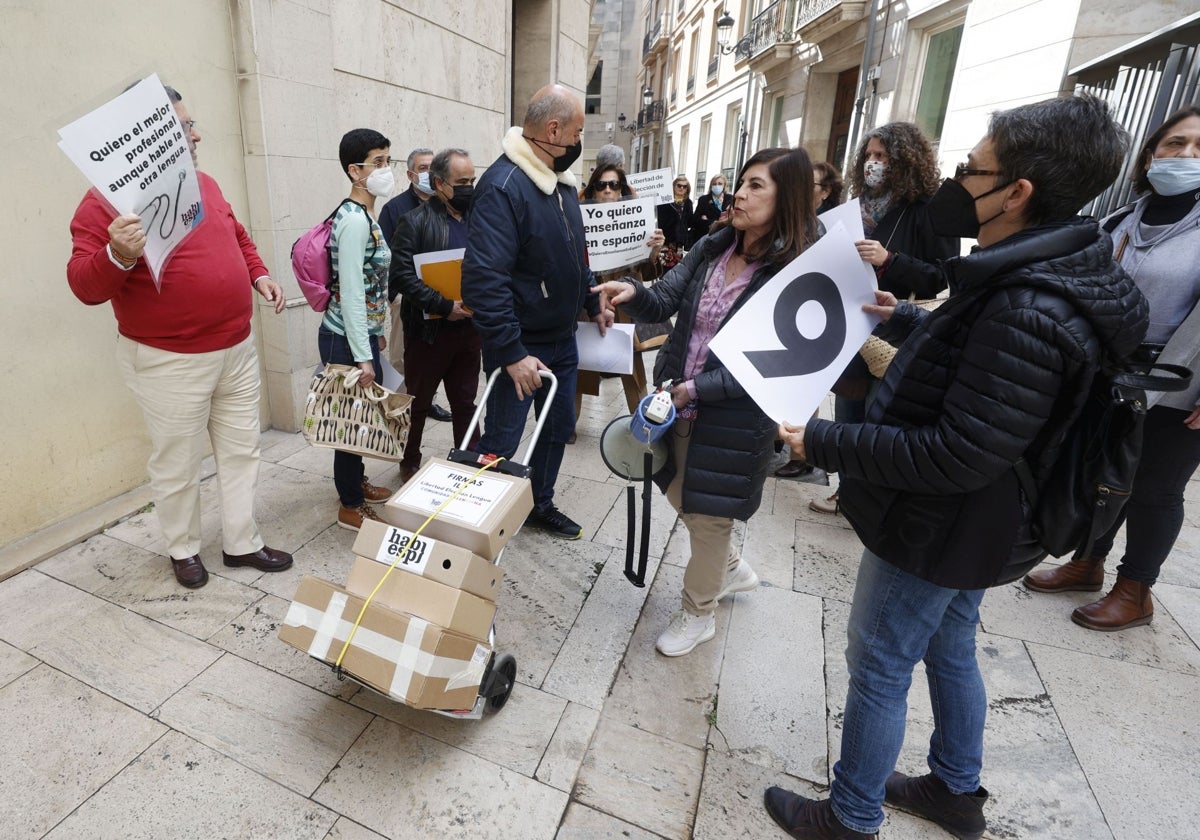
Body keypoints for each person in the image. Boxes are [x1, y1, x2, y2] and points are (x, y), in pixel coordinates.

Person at [763, 94, 1147, 839]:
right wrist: (904, 317)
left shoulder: (1027, 301)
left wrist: (823, 442)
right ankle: (954, 789)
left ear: (1018, 192)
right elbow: (983, 361)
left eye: (973, 168)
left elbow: (956, 452)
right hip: (992, 519)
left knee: (878, 658)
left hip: (946, 523)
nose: (959, 181)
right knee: (950, 639)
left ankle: (850, 816)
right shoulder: (1057, 264)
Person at [593, 147, 820, 657]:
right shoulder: (715, 246)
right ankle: (731, 567)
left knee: (710, 514)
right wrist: (631, 291)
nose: (740, 193)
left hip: (732, 419)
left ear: (789, 198)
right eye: (742, 182)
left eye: (757, 186)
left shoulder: (792, 274)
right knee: (675, 488)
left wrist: (695, 390)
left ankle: (699, 614)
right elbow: (667, 296)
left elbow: (765, 362)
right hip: (673, 400)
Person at [67, 84, 292, 589]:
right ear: (146, 136)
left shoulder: (204, 183)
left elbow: (235, 233)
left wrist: (258, 274)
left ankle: (242, 542)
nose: (195, 135)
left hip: (236, 348)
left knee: (241, 450)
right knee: (178, 462)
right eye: (183, 126)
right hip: (170, 360)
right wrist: (116, 254)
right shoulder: (105, 203)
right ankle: (183, 548)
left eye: (190, 124)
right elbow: (84, 285)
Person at [1023, 105, 1200, 631]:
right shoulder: (1120, 219)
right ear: (1150, 155)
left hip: (1178, 381)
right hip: (1112, 372)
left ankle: (1136, 589)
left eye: (1199, 149)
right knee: (1103, 471)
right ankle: (1087, 563)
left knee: (1156, 488)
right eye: (1175, 145)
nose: (1185, 156)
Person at [461, 84, 612, 540]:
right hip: (522, 348)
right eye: (578, 132)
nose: (579, 142)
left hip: (561, 340)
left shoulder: (560, 182)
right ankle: (476, 519)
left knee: (557, 426)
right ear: (553, 129)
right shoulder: (503, 187)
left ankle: (536, 504)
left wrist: (591, 300)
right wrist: (510, 352)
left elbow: (575, 255)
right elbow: (484, 280)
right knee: (504, 438)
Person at [811, 122, 958, 515]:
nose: (873, 164)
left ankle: (868, 497)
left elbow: (940, 274)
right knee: (848, 407)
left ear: (906, 161)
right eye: (870, 156)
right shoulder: (858, 207)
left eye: (883, 157)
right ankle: (846, 490)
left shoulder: (928, 208)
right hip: (853, 320)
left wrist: (888, 260)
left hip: (896, 327)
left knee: (880, 413)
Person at [388, 147, 481, 482]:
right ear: (440, 184)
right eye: (462, 181)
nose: (469, 187)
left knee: (466, 402)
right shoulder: (414, 221)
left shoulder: (480, 218)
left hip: (469, 331)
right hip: (427, 334)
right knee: (419, 403)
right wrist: (443, 306)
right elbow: (400, 275)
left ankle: (469, 462)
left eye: (473, 179)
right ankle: (409, 458)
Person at [318, 128, 394, 532]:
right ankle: (349, 505)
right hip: (345, 340)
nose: (386, 170)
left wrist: (376, 332)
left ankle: (355, 482)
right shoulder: (353, 221)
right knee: (351, 421)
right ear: (355, 171)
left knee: (360, 417)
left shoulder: (364, 215)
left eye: (387, 161)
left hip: (359, 337)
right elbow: (349, 291)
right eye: (378, 163)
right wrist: (364, 354)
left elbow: (369, 287)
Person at [574, 165, 665, 425]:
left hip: (625, 308)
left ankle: (644, 423)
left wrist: (654, 251)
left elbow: (647, 272)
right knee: (581, 364)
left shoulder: (638, 220)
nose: (607, 191)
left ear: (622, 190)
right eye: (601, 185)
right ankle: (568, 424)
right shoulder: (578, 219)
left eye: (614, 185)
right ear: (592, 190)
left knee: (633, 370)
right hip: (587, 304)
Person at [776, 160, 845, 479]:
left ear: (826, 191)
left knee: (804, 388)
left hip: (812, 318)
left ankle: (801, 455)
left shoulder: (831, 227)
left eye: (811, 185)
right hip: (783, 311)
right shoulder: (791, 221)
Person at [656, 175, 694, 271]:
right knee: (664, 268)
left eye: (684, 186)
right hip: (667, 240)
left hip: (679, 241)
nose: (681, 188)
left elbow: (689, 222)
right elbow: (660, 220)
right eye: (679, 185)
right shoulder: (665, 200)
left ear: (687, 189)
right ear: (674, 186)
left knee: (675, 268)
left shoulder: (688, 203)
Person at [690, 173, 729, 242]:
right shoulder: (703, 199)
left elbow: (730, 220)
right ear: (711, 186)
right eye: (714, 184)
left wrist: (707, 219)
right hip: (705, 237)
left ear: (724, 185)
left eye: (720, 184)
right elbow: (695, 220)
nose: (717, 186)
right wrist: (717, 221)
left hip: (724, 237)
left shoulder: (730, 199)